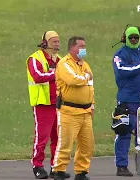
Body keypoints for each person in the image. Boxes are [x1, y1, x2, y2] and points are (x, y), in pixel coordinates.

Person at [112, 25, 140, 176]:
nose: (133, 40)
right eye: (131, 37)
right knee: (124, 132)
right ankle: (121, 166)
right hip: (127, 101)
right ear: (125, 38)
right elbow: (121, 71)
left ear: (139, 37)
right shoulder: (120, 54)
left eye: (136, 37)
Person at [25, 31, 69, 179]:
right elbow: (37, 76)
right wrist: (57, 74)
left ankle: (55, 167)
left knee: (58, 138)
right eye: (54, 41)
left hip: (57, 103)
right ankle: (37, 166)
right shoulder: (35, 58)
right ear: (45, 42)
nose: (57, 44)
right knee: (42, 137)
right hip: (42, 103)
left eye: (58, 41)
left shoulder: (61, 60)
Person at [53, 36, 95, 180]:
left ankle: (81, 172)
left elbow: (91, 86)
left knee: (87, 144)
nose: (84, 49)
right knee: (65, 143)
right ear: (72, 48)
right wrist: (86, 77)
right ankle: (59, 170)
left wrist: (92, 104)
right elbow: (72, 79)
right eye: (81, 46)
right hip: (69, 111)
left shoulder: (85, 64)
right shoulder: (64, 64)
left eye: (85, 46)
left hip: (85, 111)